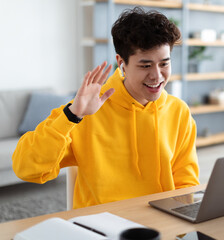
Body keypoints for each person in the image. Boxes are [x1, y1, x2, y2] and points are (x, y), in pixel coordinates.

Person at [12, 7, 200, 209]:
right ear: (122, 63)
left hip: (158, 227)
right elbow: (25, 168)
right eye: (145, 66)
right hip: (100, 228)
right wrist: (72, 115)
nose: (157, 76)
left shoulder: (178, 111)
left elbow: (186, 184)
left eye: (164, 63)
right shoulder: (84, 111)